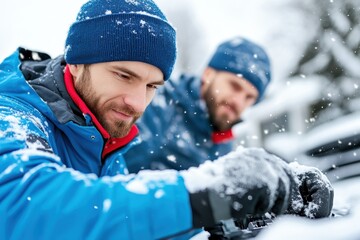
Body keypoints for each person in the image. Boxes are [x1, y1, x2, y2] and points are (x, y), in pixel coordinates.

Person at [0, 0, 333, 239]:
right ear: (74, 62)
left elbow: (118, 222)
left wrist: (235, 217)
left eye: (151, 86)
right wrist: (205, 196)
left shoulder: (104, 135)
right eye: (122, 75)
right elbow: (27, 207)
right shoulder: (12, 114)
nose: (137, 103)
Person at [125, 36, 272, 172]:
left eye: (249, 97)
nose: (238, 101)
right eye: (234, 86)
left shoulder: (223, 140)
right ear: (208, 75)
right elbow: (111, 188)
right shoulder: (155, 108)